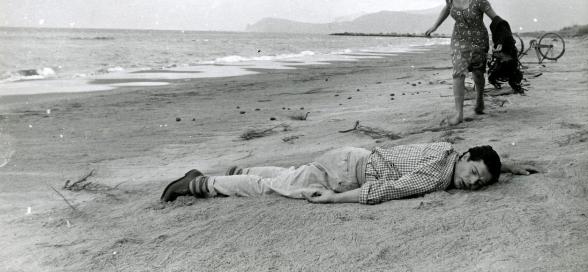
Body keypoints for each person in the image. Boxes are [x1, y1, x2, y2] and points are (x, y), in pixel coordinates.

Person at [160, 142, 537, 204]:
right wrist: (336, 199)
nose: (471, 183)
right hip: (349, 174)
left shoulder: (447, 149)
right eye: (473, 172)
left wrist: (508, 168)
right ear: (466, 156)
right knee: (273, 189)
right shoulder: (438, 176)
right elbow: (387, 192)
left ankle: (239, 169)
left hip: (352, 156)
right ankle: (198, 184)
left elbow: (482, 159)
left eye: (480, 182)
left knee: (297, 173)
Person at [425, 0, 498, 125]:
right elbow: (446, 9)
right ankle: (459, 113)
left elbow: (496, 18)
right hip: (459, 39)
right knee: (458, 72)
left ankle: (479, 99)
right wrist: (435, 26)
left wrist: (503, 37)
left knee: (478, 73)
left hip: (479, 41)